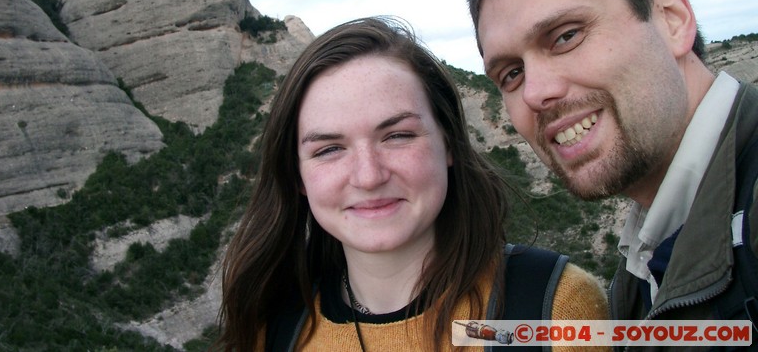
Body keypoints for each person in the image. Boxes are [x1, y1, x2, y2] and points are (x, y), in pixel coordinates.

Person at [217, 17, 608, 351]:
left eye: (398, 136)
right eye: (329, 149)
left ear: (449, 143)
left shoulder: (557, 310)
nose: (369, 176)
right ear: (297, 176)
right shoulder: (273, 328)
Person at [467, 0, 758, 327]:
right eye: (511, 74)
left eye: (566, 36)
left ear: (672, 19)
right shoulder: (645, 264)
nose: (535, 92)